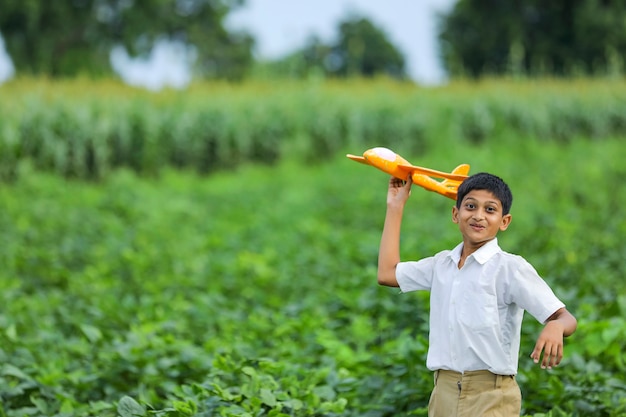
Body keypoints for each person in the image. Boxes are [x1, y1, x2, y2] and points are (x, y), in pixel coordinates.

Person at [377, 172, 577, 417]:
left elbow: (565, 317)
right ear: (455, 214)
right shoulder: (442, 264)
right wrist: (395, 206)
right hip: (443, 393)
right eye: (470, 206)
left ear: (504, 221)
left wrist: (555, 327)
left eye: (490, 209)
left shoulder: (510, 268)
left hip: (491, 396)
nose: (479, 215)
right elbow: (387, 274)